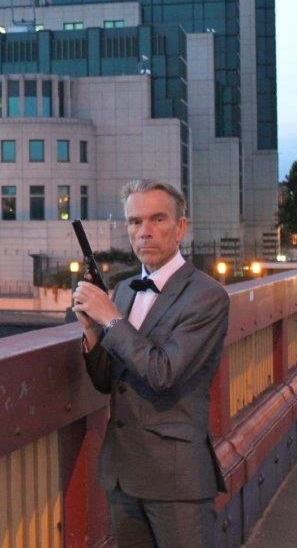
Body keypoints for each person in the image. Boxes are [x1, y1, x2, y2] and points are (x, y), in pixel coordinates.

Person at [72, 179, 229, 547]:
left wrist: (111, 320)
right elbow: (109, 381)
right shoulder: (125, 290)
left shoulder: (207, 296)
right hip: (123, 474)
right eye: (134, 221)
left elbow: (163, 373)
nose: (144, 232)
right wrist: (92, 331)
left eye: (158, 219)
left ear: (181, 227)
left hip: (176, 478)